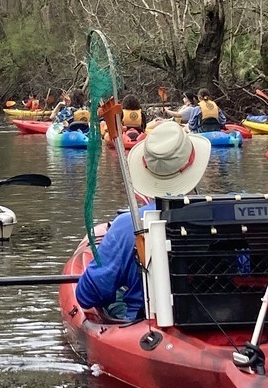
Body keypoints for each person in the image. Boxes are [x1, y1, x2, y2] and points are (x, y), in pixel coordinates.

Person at [73, 118, 212, 323]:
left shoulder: (128, 226)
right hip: (219, 317)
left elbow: (88, 295)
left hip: (146, 321)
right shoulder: (225, 219)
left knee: (116, 291)